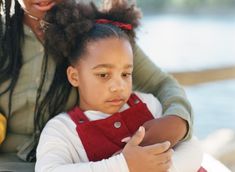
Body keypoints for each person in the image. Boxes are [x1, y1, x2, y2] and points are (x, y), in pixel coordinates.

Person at [0, 0, 193, 171]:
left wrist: (178, 121)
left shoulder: (97, 33)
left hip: (88, 163)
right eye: (102, 74)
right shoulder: (3, 35)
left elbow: (161, 84)